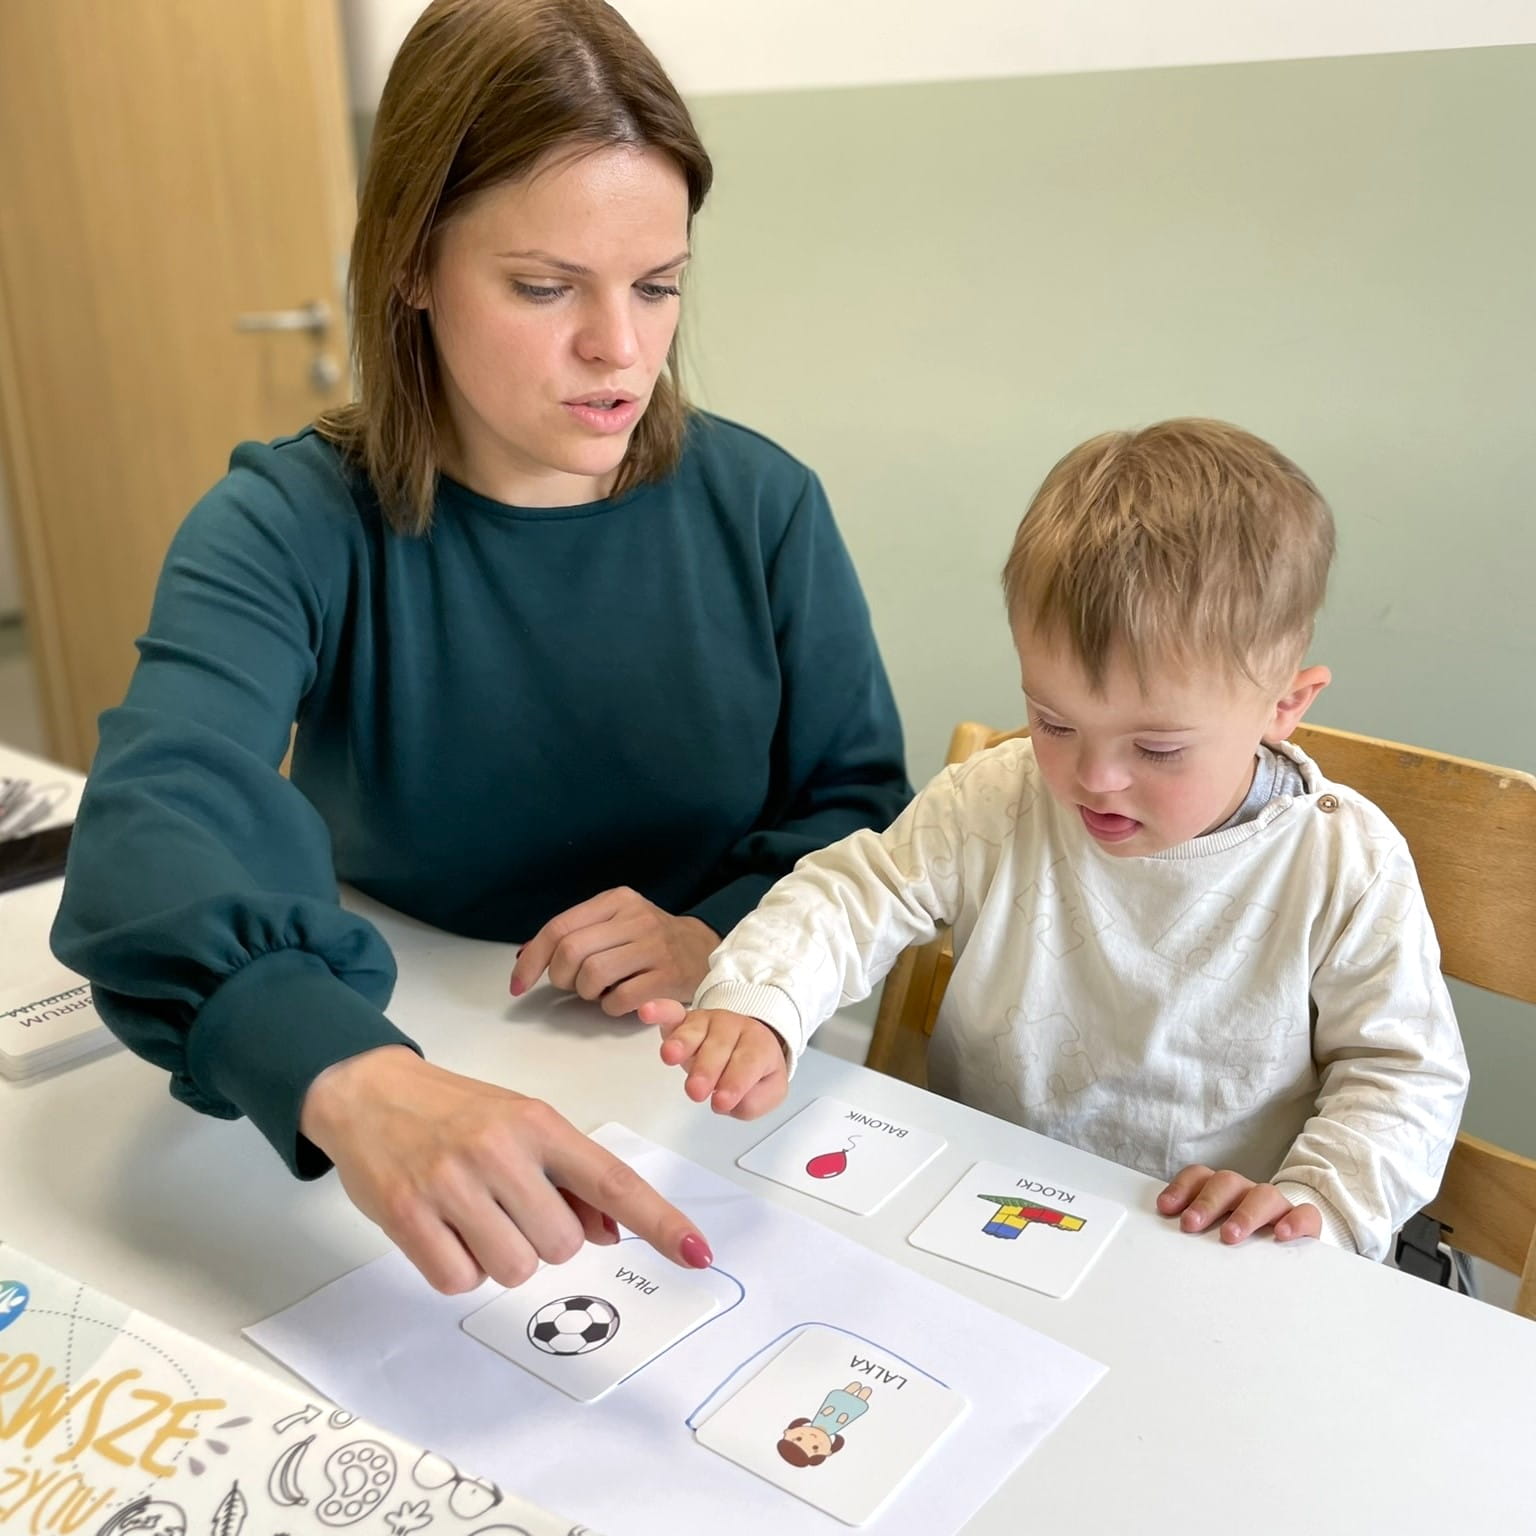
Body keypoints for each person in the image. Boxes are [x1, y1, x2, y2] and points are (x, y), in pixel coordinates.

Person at [50, 0, 908, 1295]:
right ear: (413, 265)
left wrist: (717, 933)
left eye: (658, 285)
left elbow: (859, 811)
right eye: (545, 287)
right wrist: (351, 1074)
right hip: (408, 1064)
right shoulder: (287, 520)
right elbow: (157, 821)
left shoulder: (763, 505)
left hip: (704, 1086)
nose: (620, 347)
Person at [642, 419, 1469, 1261]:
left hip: (1209, 1255)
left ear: (1284, 706)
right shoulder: (999, 797)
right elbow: (858, 893)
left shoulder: (1344, 865)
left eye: (1157, 749)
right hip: (972, 1214)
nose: (1093, 777)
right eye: (1055, 722)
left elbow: (1402, 1074)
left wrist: (1314, 1204)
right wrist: (762, 1001)